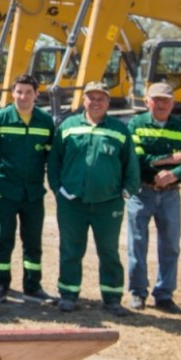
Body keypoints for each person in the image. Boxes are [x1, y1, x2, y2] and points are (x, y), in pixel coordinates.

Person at [48, 81, 140, 316]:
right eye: (91, 98)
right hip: (72, 204)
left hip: (108, 204)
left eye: (101, 98)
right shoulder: (68, 127)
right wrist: (58, 190)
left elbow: (131, 165)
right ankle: (68, 294)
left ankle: (112, 298)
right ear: (84, 101)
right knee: (70, 250)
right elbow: (54, 161)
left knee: (109, 251)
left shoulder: (119, 130)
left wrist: (127, 191)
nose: (96, 102)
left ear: (108, 102)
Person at [126, 82, 181, 314]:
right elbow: (137, 159)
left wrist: (174, 174)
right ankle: (137, 292)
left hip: (170, 195)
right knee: (137, 243)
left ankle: (164, 294)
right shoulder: (136, 124)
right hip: (142, 191)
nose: (161, 104)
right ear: (147, 101)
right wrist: (173, 158)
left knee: (170, 245)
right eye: (156, 100)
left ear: (173, 103)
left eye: (165, 100)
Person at [0, 75, 56, 304]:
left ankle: (32, 287)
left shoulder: (45, 122)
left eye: (28, 92)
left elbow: (50, 157)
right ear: (12, 93)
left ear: (36, 94)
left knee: (32, 240)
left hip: (33, 193)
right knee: (4, 239)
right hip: (5, 191)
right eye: (19, 92)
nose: (23, 97)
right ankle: (0, 285)